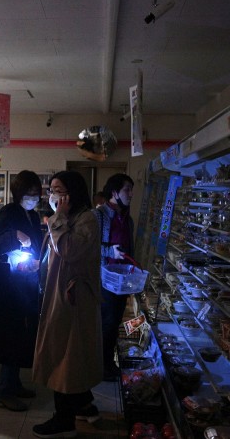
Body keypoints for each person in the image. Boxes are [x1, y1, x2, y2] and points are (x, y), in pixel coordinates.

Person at [32, 170, 103, 438]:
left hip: (72, 299)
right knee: (69, 355)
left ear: (73, 192)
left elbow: (70, 250)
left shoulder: (87, 219)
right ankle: (84, 405)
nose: (54, 195)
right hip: (59, 295)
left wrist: (57, 219)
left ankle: (64, 419)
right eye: (51, 189)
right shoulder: (72, 218)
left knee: (64, 356)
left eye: (59, 189)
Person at [0, 170, 43, 412]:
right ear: (19, 193)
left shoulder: (32, 214)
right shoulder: (9, 212)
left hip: (27, 281)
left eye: (36, 194)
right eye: (30, 194)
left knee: (23, 334)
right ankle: (3, 389)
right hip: (11, 284)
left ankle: (13, 383)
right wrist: (14, 236)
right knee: (12, 335)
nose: (33, 198)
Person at [93, 173, 135, 382]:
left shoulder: (128, 218)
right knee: (106, 323)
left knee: (115, 321)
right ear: (114, 193)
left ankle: (108, 363)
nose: (131, 194)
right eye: (127, 190)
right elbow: (89, 246)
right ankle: (101, 366)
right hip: (105, 279)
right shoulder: (99, 215)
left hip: (123, 281)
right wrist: (110, 252)